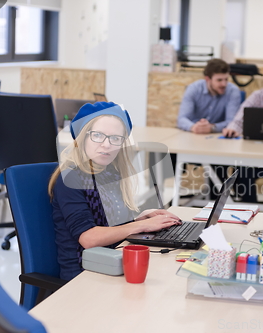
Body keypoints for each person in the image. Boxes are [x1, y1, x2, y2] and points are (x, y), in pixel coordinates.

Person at [48, 101, 181, 280]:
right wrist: (141, 225)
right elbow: (89, 237)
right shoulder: (71, 178)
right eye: (97, 135)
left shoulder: (110, 172)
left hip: (112, 261)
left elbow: (108, 223)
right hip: (83, 274)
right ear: (82, 137)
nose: (106, 144)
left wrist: (140, 217)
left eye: (115, 138)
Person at [177, 58, 241, 134]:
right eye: (219, 80)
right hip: (193, 134)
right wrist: (193, 127)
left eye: (226, 79)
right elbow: (181, 119)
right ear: (207, 79)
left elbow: (232, 122)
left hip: (218, 137)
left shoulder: (233, 91)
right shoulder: (193, 89)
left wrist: (212, 128)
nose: (224, 84)